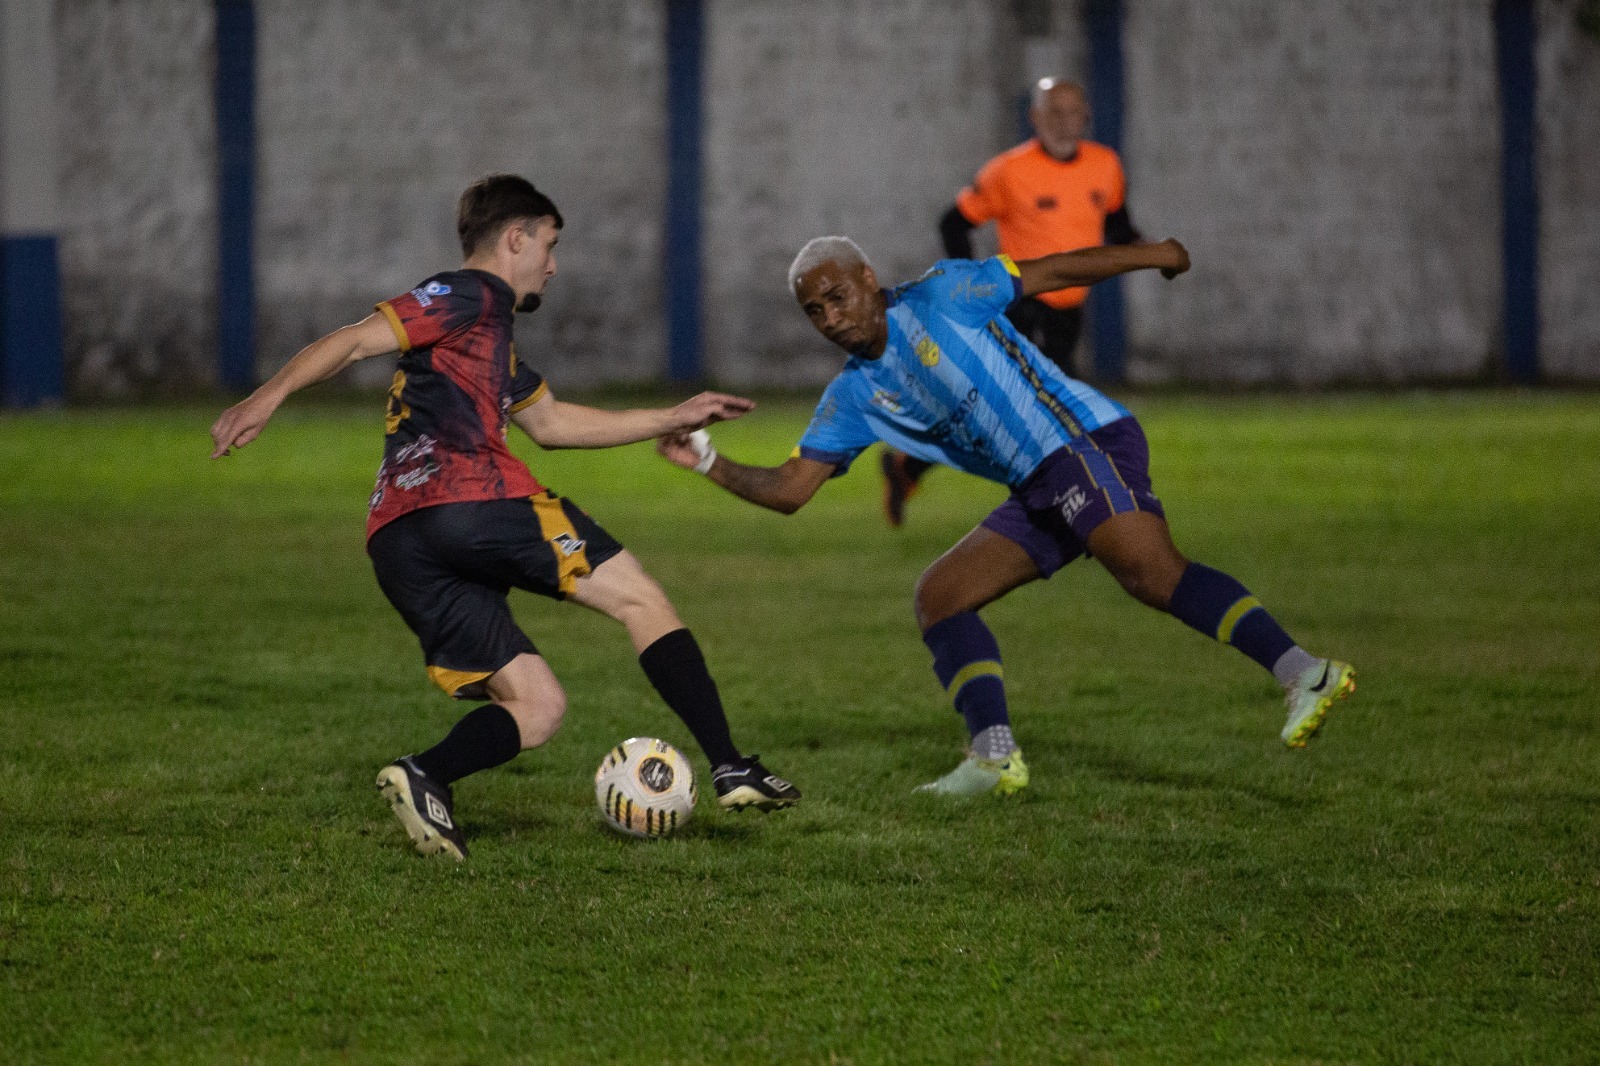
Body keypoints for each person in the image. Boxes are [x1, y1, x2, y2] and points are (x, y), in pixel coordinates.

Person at [210, 174, 800, 860]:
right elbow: (355, 340)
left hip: (399, 539)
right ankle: (730, 765)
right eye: (549, 244)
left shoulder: (487, 342)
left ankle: (426, 775)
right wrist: (267, 396)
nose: (553, 264)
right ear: (515, 238)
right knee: (640, 599)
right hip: (475, 500)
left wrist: (671, 416)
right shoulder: (472, 294)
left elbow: (551, 424)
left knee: (538, 706)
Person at [659, 236, 1355, 796]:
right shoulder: (853, 395)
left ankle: (1305, 672)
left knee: (1150, 573)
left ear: (868, 279)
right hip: (1037, 483)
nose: (831, 318)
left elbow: (1053, 271)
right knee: (942, 596)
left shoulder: (942, 294)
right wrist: (709, 460)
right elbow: (791, 489)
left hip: (1081, 441)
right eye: (815, 312)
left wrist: (1158, 254)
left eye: (837, 297)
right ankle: (993, 758)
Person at [882, 77, 1144, 526]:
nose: (1065, 121)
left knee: (989, 410)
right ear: (1035, 117)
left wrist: (1150, 252)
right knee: (1052, 409)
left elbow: (1118, 226)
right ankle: (1059, 509)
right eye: (1054, 112)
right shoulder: (1008, 171)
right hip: (1022, 306)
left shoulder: (1105, 165)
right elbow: (953, 224)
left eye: (1073, 111)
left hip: (1070, 309)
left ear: (1086, 115)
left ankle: (908, 466)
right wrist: (970, 289)